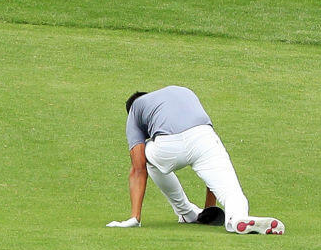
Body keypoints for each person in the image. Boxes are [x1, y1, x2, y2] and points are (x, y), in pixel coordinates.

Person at [106, 86, 284, 235]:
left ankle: (186, 213)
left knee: (146, 158)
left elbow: (138, 168)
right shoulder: (182, 92)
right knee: (231, 192)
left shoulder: (135, 109)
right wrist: (209, 210)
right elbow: (210, 179)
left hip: (168, 147)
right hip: (204, 137)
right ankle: (237, 218)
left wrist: (134, 218)